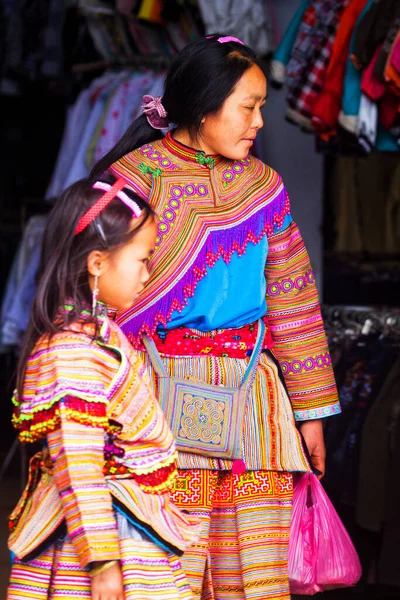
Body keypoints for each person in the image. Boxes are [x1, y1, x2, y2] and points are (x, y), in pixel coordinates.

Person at [91, 35, 341, 600]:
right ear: (204, 105)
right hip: (156, 401)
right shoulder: (135, 179)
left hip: (255, 403)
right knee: (165, 576)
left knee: (255, 579)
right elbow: (96, 291)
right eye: (247, 107)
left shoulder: (264, 187)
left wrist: (312, 413)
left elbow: (295, 300)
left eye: (261, 108)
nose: (258, 122)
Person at [7, 177, 201, 600]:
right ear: (97, 263)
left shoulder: (98, 335)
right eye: (142, 259)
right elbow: (78, 464)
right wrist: (103, 562)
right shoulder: (71, 350)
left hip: (127, 528)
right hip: (108, 544)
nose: (148, 274)